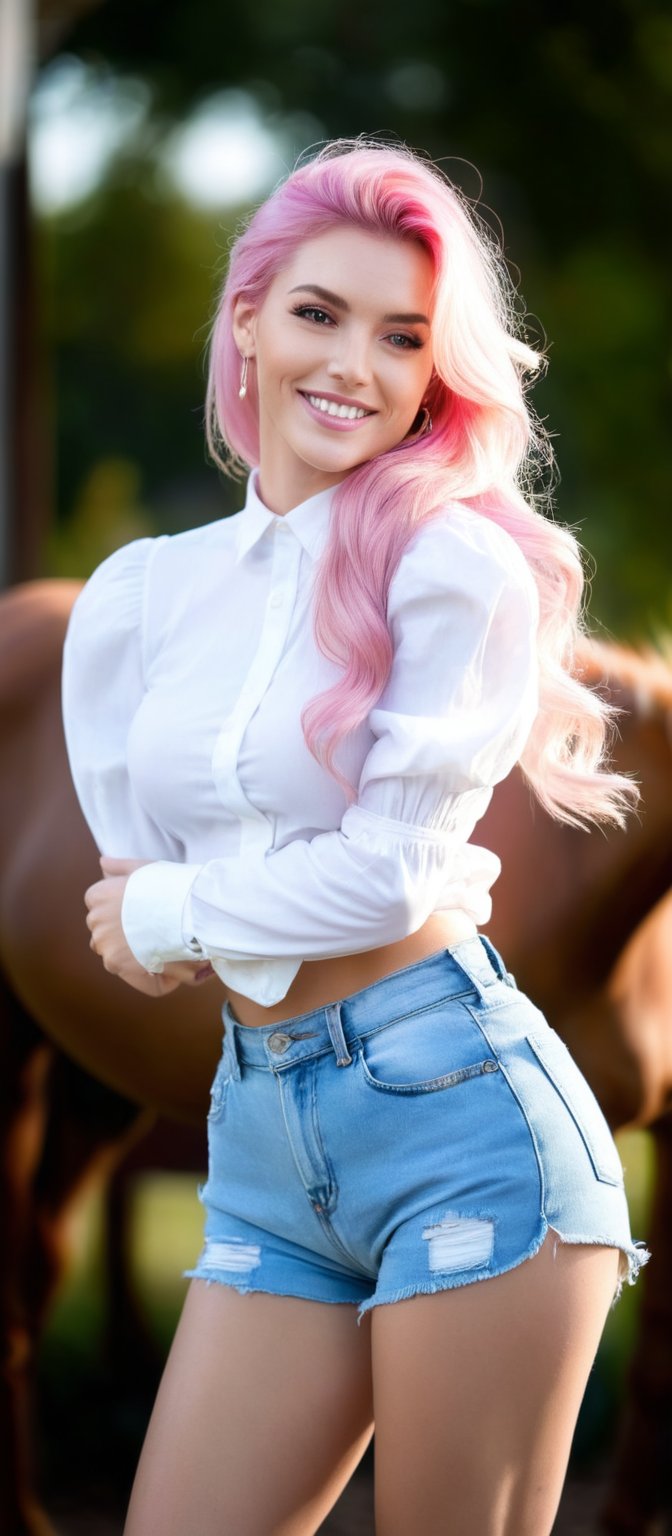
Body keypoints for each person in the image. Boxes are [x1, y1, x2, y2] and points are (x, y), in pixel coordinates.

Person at [62, 136, 649, 1536]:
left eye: (404, 339)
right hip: (261, 1131)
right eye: (320, 313)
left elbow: (382, 877)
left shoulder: (455, 563)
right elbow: (143, 870)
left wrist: (171, 913)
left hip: (460, 1123)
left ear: (438, 374)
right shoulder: (147, 594)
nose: (354, 367)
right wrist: (172, 912)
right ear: (248, 318)